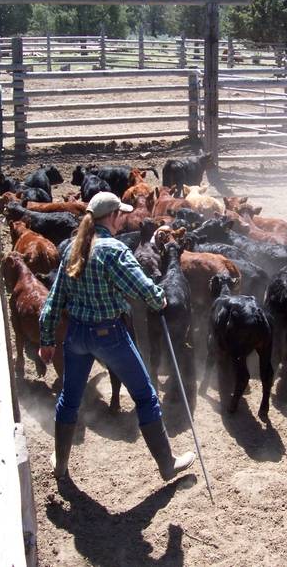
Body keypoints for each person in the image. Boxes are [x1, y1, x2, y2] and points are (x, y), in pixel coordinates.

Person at [38, 191, 196, 481]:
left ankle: (60, 464)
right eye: (121, 214)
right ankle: (167, 464)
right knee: (146, 396)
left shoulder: (74, 247)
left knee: (69, 399)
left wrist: (47, 340)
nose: (124, 218)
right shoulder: (114, 250)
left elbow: (54, 300)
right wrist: (158, 298)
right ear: (111, 217)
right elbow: (143, 289)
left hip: (76, 336)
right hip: (109, 334)